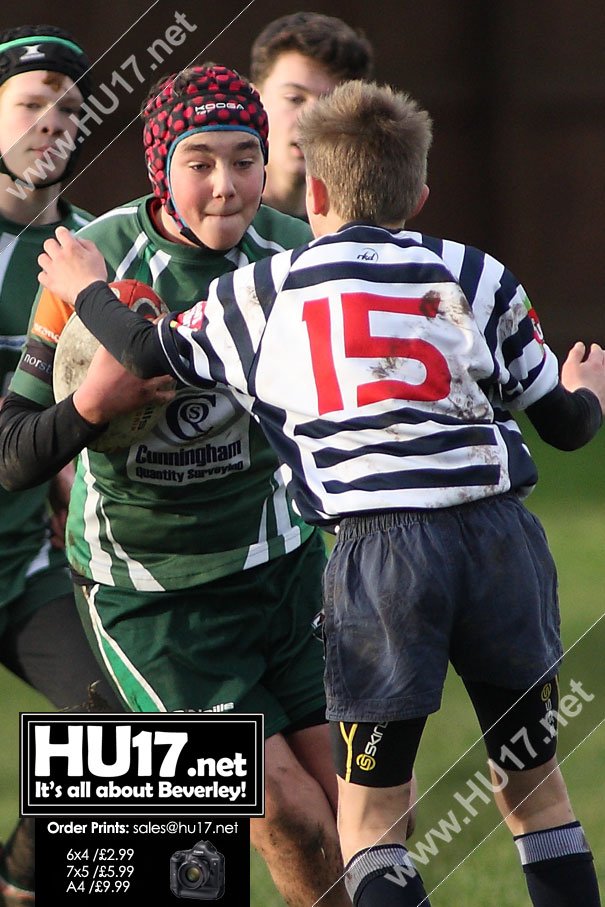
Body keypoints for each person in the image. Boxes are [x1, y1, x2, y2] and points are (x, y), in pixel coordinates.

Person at [36, 79, 605, 907]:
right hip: (502, 546)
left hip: (382, 560)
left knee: (370, 821)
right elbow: (563, 426)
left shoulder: (264, 291)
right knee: (535, 789)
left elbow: (140, 349)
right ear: (419, 194)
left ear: (313, 190)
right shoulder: (477, 274)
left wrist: (89, 283)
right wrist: (586, 387)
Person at [0, 64, 350, 906]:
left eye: (243, 159)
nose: (225, 188)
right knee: (291, 815)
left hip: (283, 573)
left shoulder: (297, 258)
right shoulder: (90, 263)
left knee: (367, 813)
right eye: (199, 162)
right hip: (157, 604)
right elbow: (12, 451)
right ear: (162, 168)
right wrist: (93, 402)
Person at [0, 24, 124, 907]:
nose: (54, 122)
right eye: (31, 104)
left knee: (118, 729)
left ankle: (19, 878)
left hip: (24, 570)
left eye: (70, 108)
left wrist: (67, 477)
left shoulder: (88, 255)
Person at [249, 11, 374, 218]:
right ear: (255, 101)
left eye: (331, 104)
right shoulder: (218, 223)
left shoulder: (363, 236)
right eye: (294, 98)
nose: (312, 120)